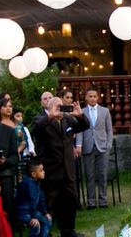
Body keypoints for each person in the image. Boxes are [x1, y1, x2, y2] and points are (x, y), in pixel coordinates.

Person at [32, 96, 89, 237]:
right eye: (57, 107)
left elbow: (84, 126)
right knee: (49, 203)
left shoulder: (67, 119)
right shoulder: (42, 120)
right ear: (49, 108)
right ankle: (46, 232)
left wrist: (80, 115)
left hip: (68, 169)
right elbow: (35, 129)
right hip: (51, 170)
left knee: (71, 200)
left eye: (61, 106)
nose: (60, 110)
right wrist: (50, 116)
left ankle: (68, 230)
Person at [75, 88, 113, 209]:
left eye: (94, 96)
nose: (92, 98)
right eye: (90, 96)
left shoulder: (105, 111)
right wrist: (79, 145)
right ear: (86, 98)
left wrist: (109, 144)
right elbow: (80, 130)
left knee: (102, 174)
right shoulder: (82, 112)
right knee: (89, 175)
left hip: (102, 146)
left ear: (98, 98)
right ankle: (91, 202)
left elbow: (109, 129)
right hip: (88, 146)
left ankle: (103, 200)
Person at [15, 160, 52, 237]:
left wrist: (45, 212)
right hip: (24, 212)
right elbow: (32, 201)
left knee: (47, 220)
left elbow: (41, 201)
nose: (44, 172)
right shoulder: (29, 184)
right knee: (36, 226)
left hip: (32, 211)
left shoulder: (37, 182)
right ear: (34, 174)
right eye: (41, 171)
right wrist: (34, 217)